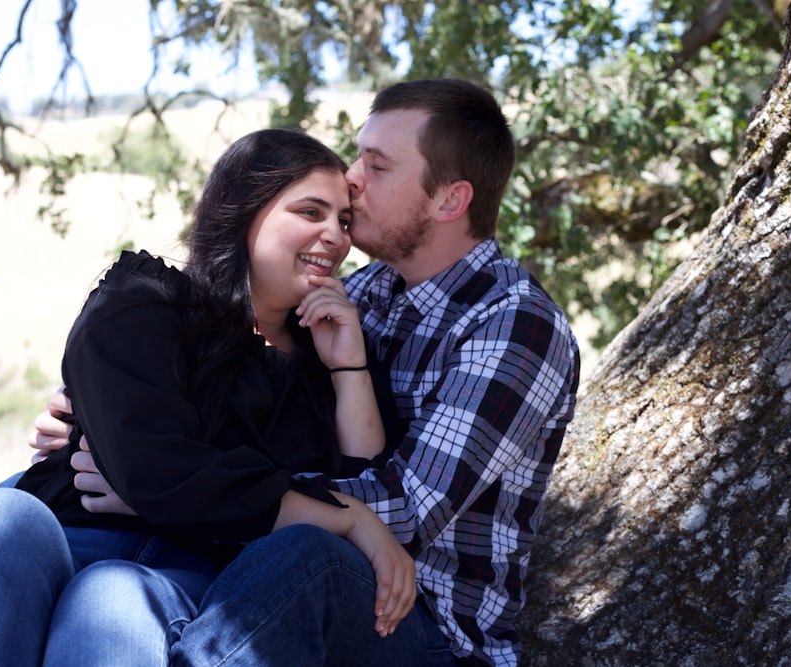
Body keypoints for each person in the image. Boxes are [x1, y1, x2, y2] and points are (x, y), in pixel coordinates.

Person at [34, 78, 581, 666]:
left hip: (423, 622)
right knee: (80, 576)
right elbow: (238, 393)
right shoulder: (362, 292)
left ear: (449, 200)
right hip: (254, 576)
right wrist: (126, 432)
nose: (353, 177)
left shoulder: (514, 327)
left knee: (306, 554)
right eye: (356, 156)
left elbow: (403, 514)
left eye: (377, 165)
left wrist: (166, 482)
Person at [0, 128, 416, 666]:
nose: (335, 237)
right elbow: (160, 469)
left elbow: (356, 480)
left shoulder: (326, 355)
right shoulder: (145, 304)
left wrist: (349, 366)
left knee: (111, 597)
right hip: (72, 535)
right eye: (310, 212)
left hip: (191, 578)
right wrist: (347, 520)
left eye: (343, 220)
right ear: (243, 212)